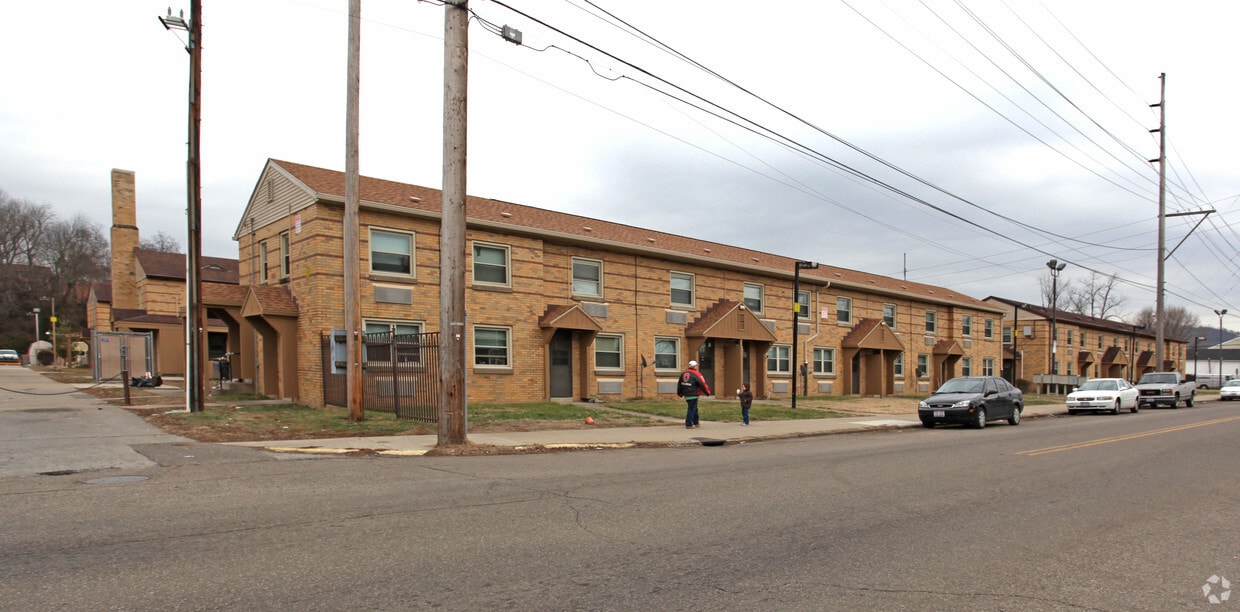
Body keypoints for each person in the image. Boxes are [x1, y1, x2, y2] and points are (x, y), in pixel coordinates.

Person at [676, 360, 711, 429]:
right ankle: (689, 423)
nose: (697, 367)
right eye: (696, 365)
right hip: (694, 393)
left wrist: (679, 393)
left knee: (694, 408)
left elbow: (679, 384)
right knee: (691, 408)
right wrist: (707, 392)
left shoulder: (683, 374)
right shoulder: (697, 374)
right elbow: (702, 383)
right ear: (695, 366)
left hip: (686, 394)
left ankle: (696, 422)